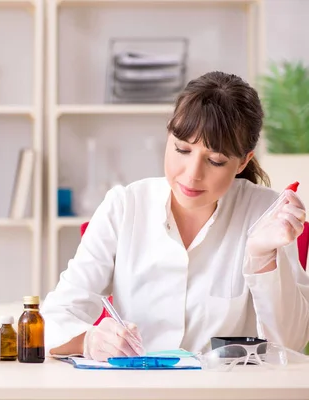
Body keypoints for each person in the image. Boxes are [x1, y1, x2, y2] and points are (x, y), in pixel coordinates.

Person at [41, 71, 309, 361]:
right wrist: (89, 341)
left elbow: (289, 344)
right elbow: (55, 316)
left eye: (215, 161)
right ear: (168, 135)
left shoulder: (265, 214)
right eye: (182, 149)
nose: (192, 174)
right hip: (140, 386)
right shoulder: (125, 206)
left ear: (244, 160)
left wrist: (262, 258)